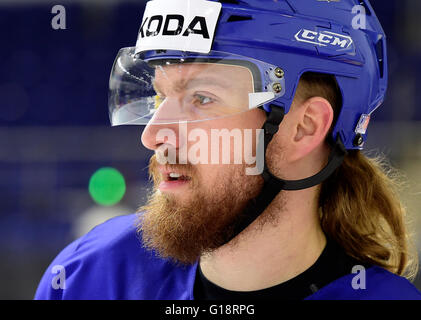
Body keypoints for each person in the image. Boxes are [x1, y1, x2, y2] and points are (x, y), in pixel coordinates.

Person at [35, 0, 421, 300]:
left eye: (202, 97)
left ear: (304, 128)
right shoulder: (87, 274)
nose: (152, 136)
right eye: (159, 96)